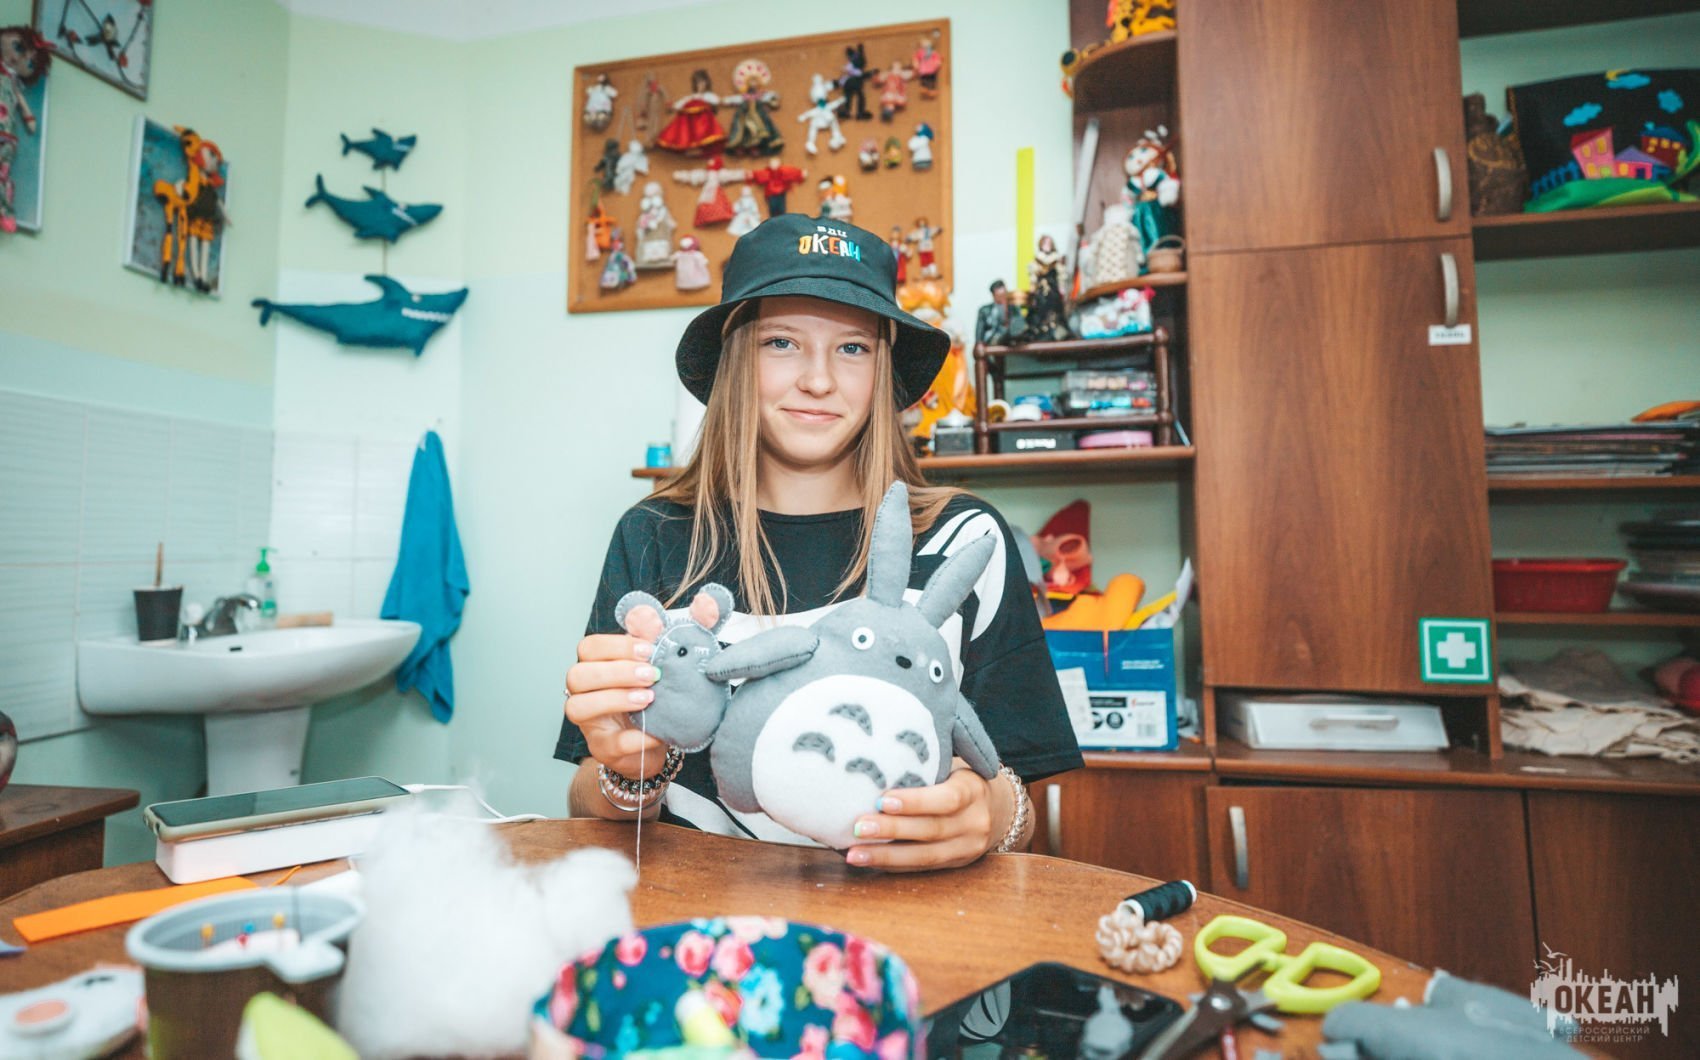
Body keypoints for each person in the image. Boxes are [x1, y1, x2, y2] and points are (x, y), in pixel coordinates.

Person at [558, 214, 1081, 872]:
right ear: (735, 361)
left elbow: (1023, 802)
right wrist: (626, 769)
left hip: (913, 916)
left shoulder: (967, 539)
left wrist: (996, 813)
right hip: (701, 922)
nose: (819, 380)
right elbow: (585, 798)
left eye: (852, 348)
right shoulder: (653, 533)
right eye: (781, 343)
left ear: (883, 369)